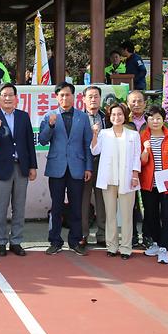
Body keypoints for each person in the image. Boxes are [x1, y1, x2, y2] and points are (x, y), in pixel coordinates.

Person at [38, 82, 93, 256]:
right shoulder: (50, 116)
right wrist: (51, 126)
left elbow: (87, 144)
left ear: (74, 96)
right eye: (61, 95)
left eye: (67, 94)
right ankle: (55, 241)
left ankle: (75, 241)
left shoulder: (82, 117)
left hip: (77, 167)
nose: (64, 98)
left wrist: (88, 167)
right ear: (56, 97)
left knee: (76, 206)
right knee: (56, 206)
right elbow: (42, 140)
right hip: (57, 167)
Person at [0, 83, 37, 257]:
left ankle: (16, 241)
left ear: (16, 98)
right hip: (1, 170)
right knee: (1, 208)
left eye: (10, 95)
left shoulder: (23, 117)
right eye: (4, 95)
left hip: (21, 168)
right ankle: (0, 242)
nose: (8, 98)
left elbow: (30, 142)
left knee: (19, 207)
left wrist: (32, 166)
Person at [90, 103, 142, 260]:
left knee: (127, 216)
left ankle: (126, 247)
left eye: (119, 114)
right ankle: (112, 246)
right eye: (113, 115)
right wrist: (94, 133)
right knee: (110, 215)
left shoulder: (133, 135)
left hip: (127, 179)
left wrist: (135, 175)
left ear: (124, 116)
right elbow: (94, 150)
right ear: (109, 117)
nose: (116, 117)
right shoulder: (104, 134)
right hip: (109, 179)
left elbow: (136, 157)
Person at [139, 105, 168, 264]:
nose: (155, 121)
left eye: (158, 118)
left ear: (163, 120)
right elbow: (142, 162)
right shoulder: (142, 137)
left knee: (167, 216)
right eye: (151, 118)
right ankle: (158, 244)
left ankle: (164, 248)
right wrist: (146, 150)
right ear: (147, 120)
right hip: (149, 183)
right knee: (151, 215)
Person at [81, 86, 107, 247]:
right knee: (83, 201)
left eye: (96, 96)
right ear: (83, 99)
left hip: (103, 163)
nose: (93, 99)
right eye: (90, 97)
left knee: (102, 200)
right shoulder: (79, 117)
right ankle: (83, 234)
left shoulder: (107, 117)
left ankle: (102, 234)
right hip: (84, 164)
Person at [126, 90, 148, 249]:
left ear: (145, 103)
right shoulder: (123, 123)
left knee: (149, 203)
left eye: (140, 101)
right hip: (129, 168)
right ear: (128, 104)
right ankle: (132, 236)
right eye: (133, 101)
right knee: (130, 204)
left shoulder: (152, 121)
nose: (137, 104)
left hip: (149, 167)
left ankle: (148, 235)